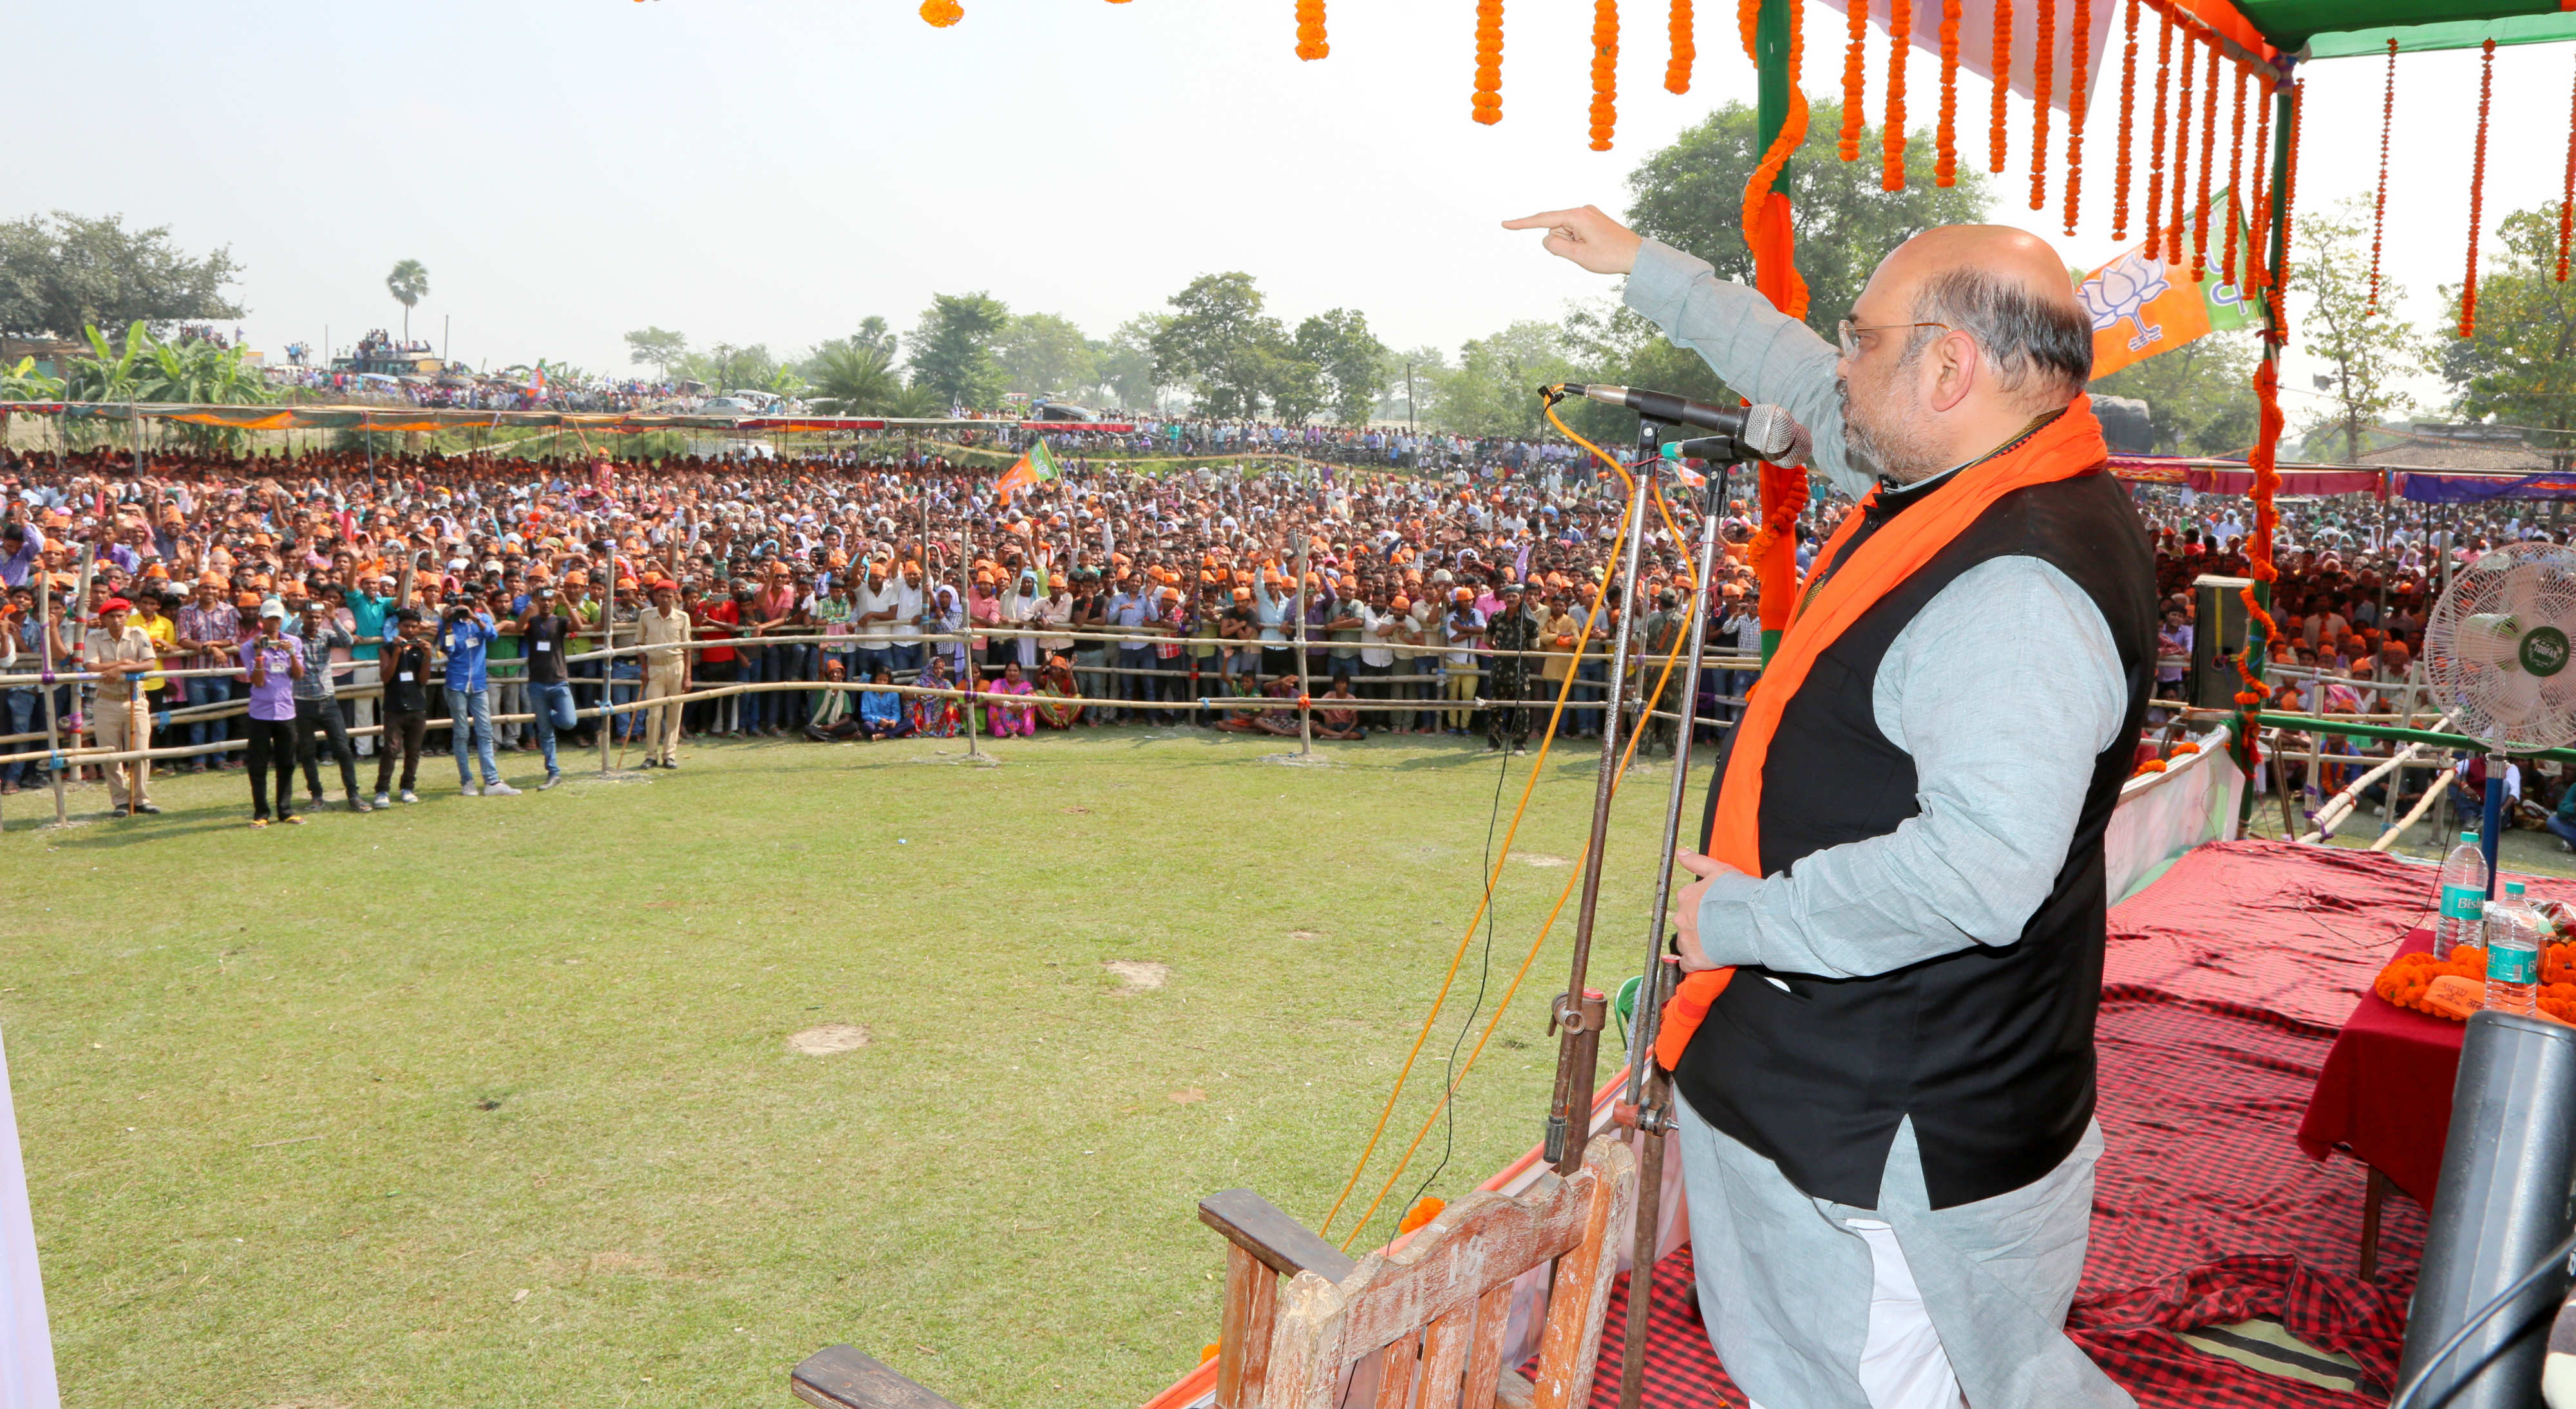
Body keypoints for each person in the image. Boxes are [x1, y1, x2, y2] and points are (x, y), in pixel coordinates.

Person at [1511, 205, 2153, 1408]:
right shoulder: (1967, 472)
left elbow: (1976, 871)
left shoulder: (2018, 583)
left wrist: (1742, 924)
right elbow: (1795, 371)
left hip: (1892, 1133)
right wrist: (1647, 270)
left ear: (1950, 367)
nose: (1838, 369)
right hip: (1849, 1080)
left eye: (1864, 340)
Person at [289, 598, 370, 813]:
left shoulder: (327, 635)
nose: (314, 620)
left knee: (343, 749)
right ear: (303, 617)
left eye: (317, 617)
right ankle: (316, 796)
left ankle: (353, 794)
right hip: (303, 703)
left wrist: (333, 618)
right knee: (307, 752)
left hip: (328, 701)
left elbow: (347, 641)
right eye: (310, 616)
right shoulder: (295, 638)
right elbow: (286, 635)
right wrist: (298, 617)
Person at [82, 596, 160, 817]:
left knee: (141, 752)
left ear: (127, 616)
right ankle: (120, 801)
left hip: (135, 698)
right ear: (103, 618)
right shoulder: (95, 637)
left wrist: (122, 671)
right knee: (111, 754)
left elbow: (150, 663)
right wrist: (121, 664)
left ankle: (141, 799)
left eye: (120, 615)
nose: (117, 620)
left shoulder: (138, 633)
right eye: (111, 616)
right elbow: (91, 665)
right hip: (106, 701)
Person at [440, 594, 519, 797]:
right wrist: (448, 623)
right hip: (457, 684)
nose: (463, 609)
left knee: (485, 732)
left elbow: (492, 636)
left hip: (478, 684)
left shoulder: (481, 620)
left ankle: (492, 781)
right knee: (462, 734)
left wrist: (474, 618)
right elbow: (448, 649)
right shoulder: (450, 624)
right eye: (461, 606)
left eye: (468, 605)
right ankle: (467, 781)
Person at [240, 600, 305, 826]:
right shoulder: (249, 646)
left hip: (286, 711)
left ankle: (285, 810)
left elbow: (298, 675)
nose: (273, 622)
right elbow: (257, 682)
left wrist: (293, 654)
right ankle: (261, 813)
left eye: (277, 618)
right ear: (262, 619)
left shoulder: (294, 642)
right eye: (269, 618)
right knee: (258, 764)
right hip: (260, 712)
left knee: (287, 762)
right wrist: (259, 653)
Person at [518, 585, 580, 787]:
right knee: (545, 733)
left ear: (555, 602)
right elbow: (519, 628)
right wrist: (529, 608)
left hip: (559, 681)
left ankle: (547, 717)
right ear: (537, 601)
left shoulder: (561, 621)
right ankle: (553, 772)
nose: (546, 603)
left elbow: (578, 627)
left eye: (550, 600)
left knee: (569, 721)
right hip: (536, 682)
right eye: (543, 600)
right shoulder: (532, 621)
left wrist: (567, 604)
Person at [375, 608, 433, 806]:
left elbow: (423, 681)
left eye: (414, 626)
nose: (410, 630)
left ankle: (407, 787)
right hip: (394, 706)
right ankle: (382, 791)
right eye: (406, 626)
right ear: (398, 626)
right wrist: (398, 653)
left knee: (414, 750)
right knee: (390, 749)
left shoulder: (420, 649)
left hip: (417, 706)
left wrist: (428, 657)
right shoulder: (387, 649)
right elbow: (386, 677)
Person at [637, 578, 692, 769]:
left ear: (675, 597)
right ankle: (651, 755)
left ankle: (669, 755)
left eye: (670, 596)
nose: (666, 600)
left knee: (675, 712)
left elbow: (688, 648)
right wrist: (643, 669)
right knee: (654, 713)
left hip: (677, 666)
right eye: (662, 596)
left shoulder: (683, 617)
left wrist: (688, 676)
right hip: (655, 667)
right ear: (655, 597)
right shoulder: (646, 615)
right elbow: (640, 645)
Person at [856, 668, 911, 741]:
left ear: (888, 681)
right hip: (875, 724)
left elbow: (896, 712)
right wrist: (878, 720)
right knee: (867, 726)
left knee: (910, 722)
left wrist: (894, 721)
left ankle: (882, 735)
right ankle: (892, 734)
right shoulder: (867, 694)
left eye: (885, 680)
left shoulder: (894, 694)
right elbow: (865, 715)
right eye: (879, 679)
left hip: (890, 725)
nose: (882, 683)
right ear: (874, 680)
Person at [987, 659, 1036, 738]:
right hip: (1003, 717)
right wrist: (1008, 705)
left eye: (1015, 671)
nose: (1012, 673)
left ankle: (1021, 729)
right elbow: (990, 697)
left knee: (1030, 700)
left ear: (1020, 672)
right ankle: (1008, 731)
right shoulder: (998, 683)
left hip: (1019, 712)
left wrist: (1022, 705)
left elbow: (1035, 697)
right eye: (1009, 670)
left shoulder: (1026, 685)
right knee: (994, 704)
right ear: (1005, 672)